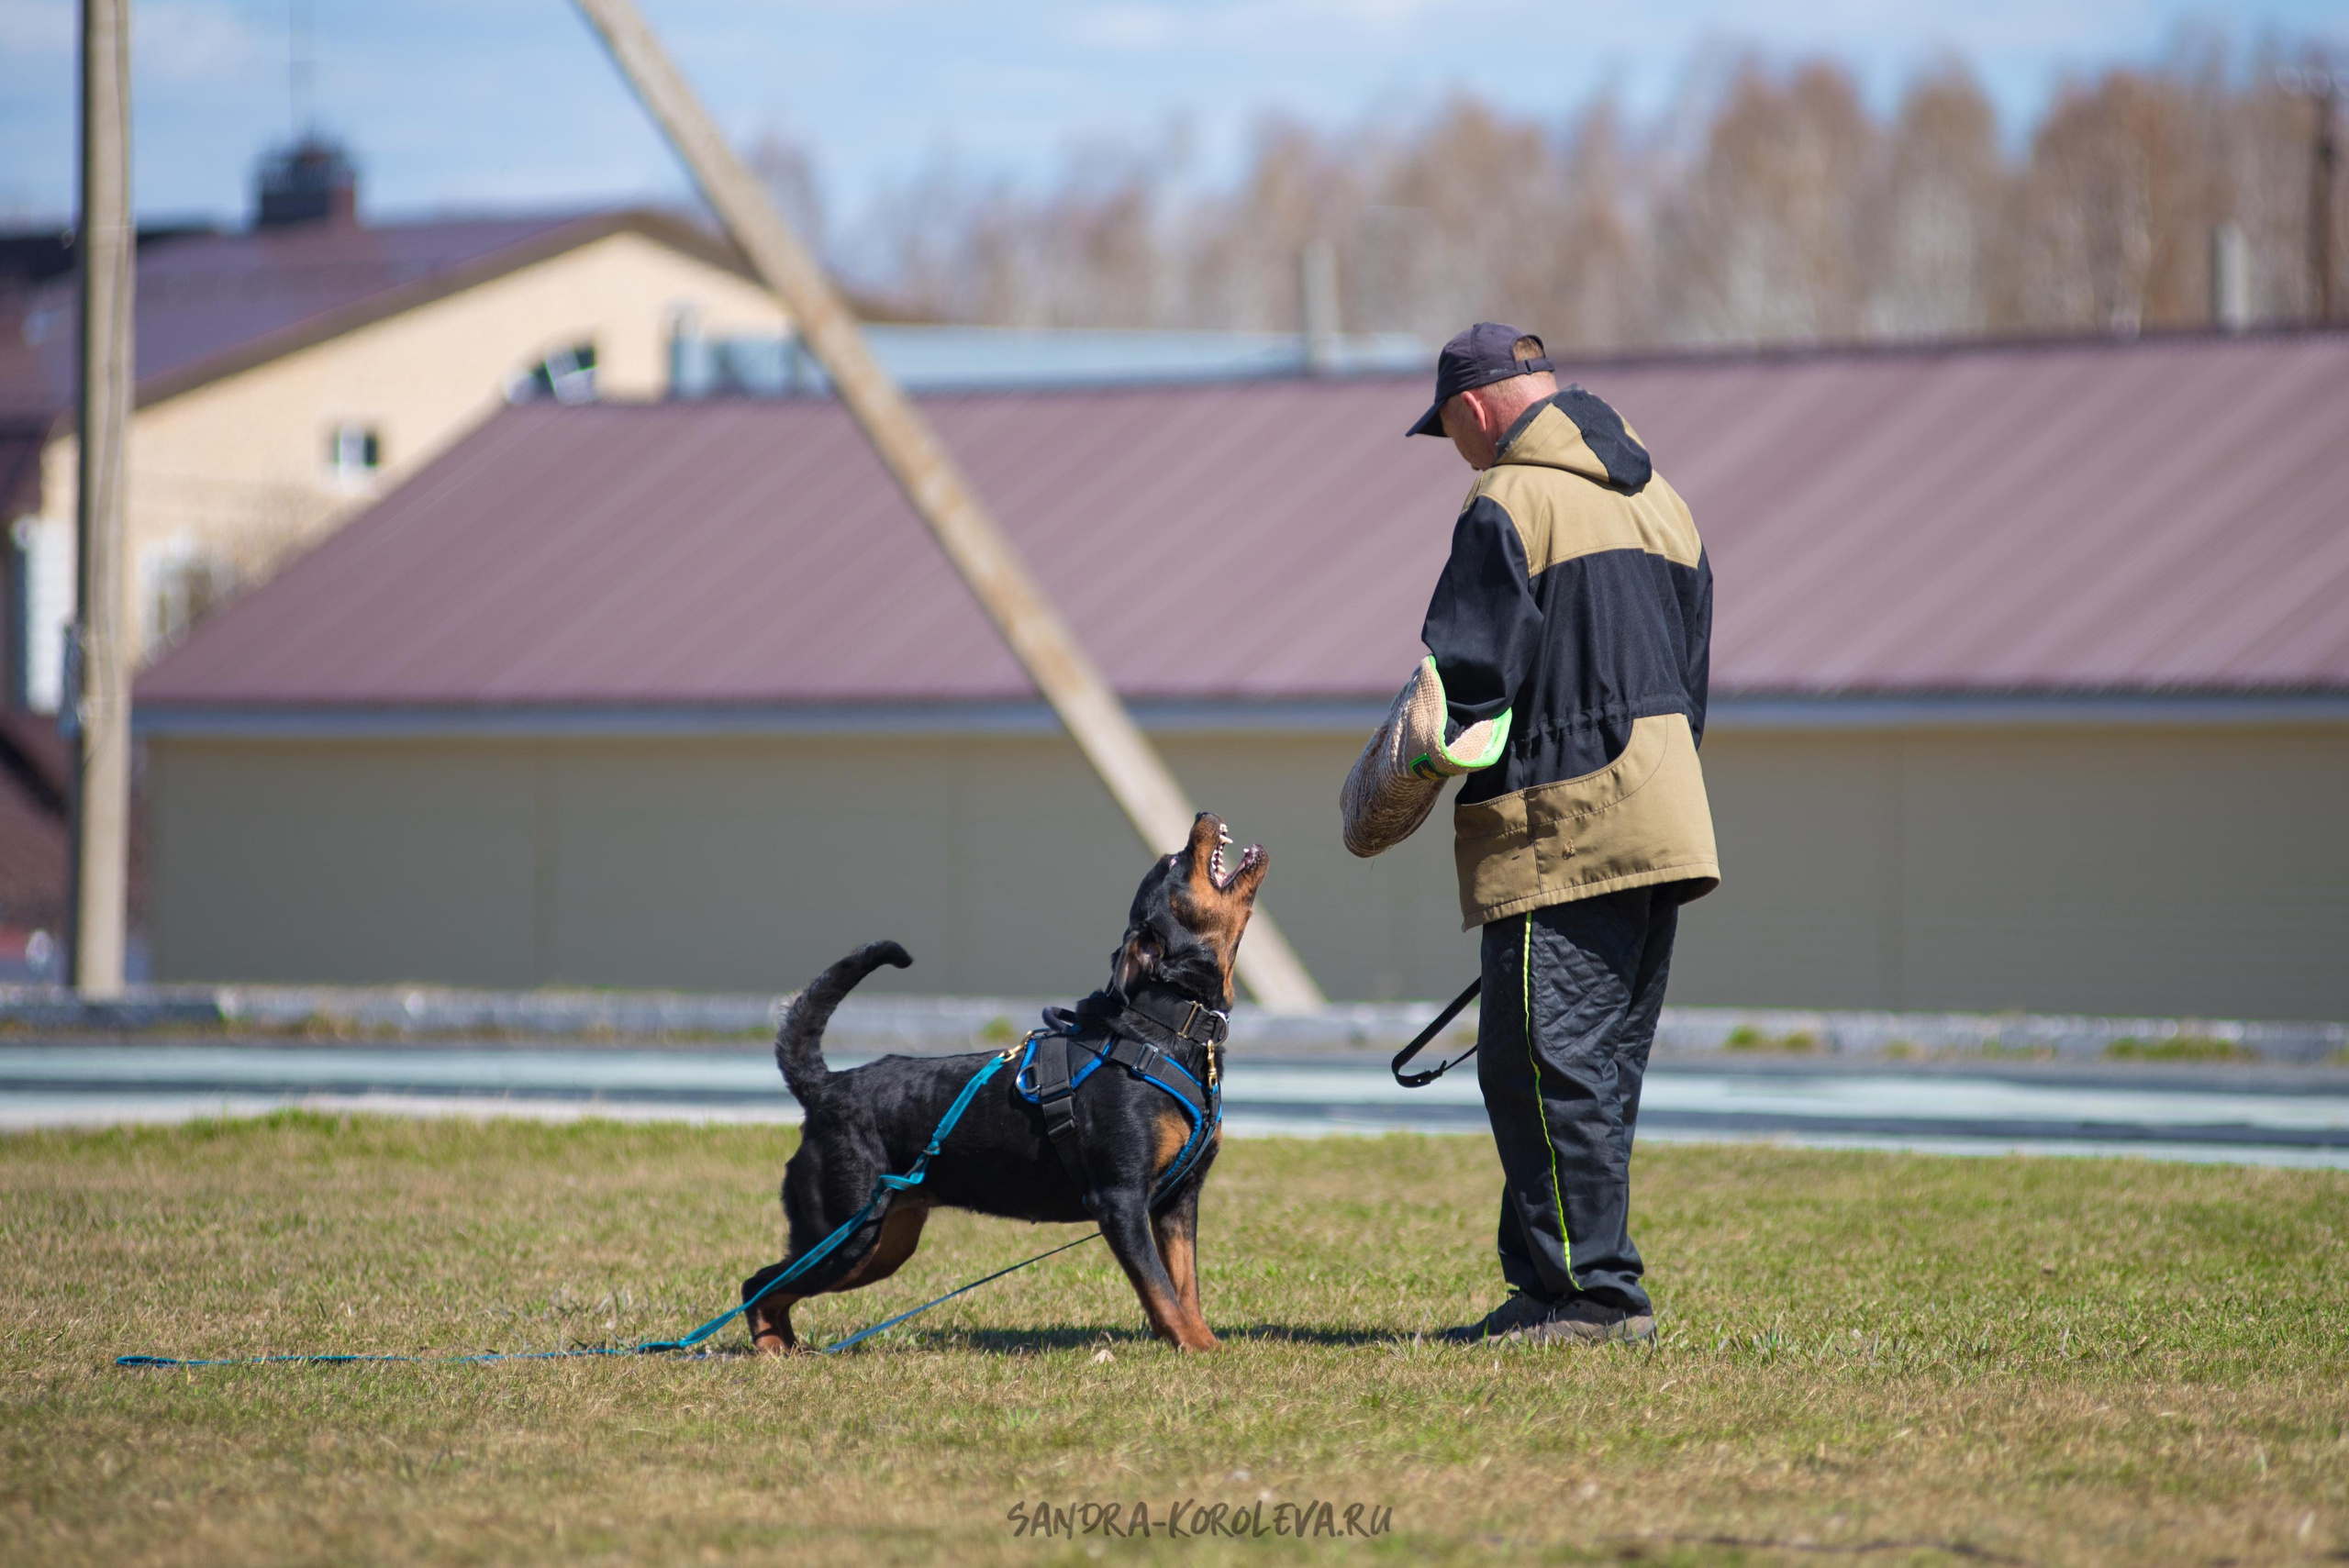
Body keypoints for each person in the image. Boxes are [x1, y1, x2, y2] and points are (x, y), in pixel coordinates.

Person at [1399, 322, 1720, 1345]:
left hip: (1562, 822)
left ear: (1473, 407)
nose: (1455, 449)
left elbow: (1468, 682)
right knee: (1590, 1062)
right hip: (1665, 813)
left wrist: (1401, 770)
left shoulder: (1507, 496)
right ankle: (1548, 1285)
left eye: (1448, 428)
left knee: (1543, 1062)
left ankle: (1595, 1298)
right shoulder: (1662, 498)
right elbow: (1693, 673)